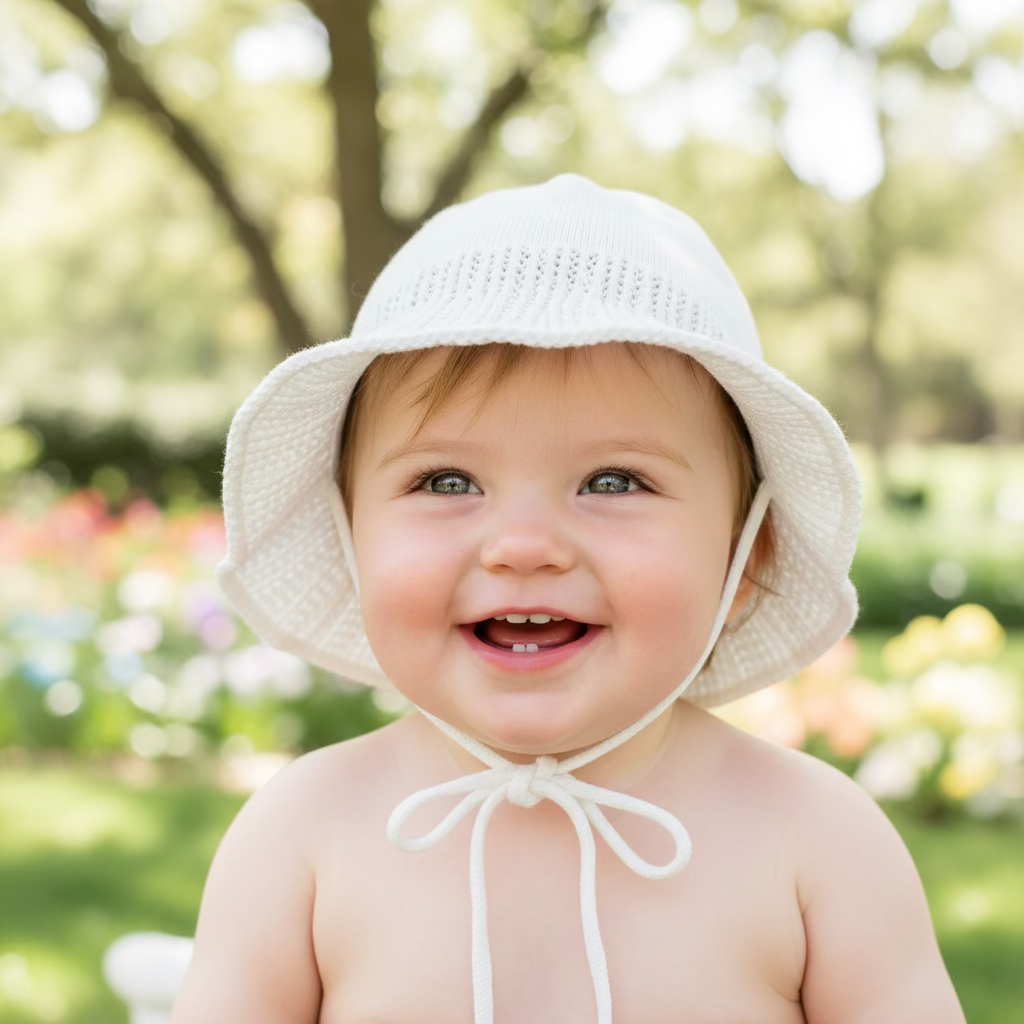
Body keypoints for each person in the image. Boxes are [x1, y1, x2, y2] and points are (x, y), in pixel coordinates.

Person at [171, 174, 965, 1023]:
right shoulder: (302, 838)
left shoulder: (818, 844)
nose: (524, 546)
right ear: (350, 539)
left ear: (746, 554)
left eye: (613, 480)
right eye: (446, 480)